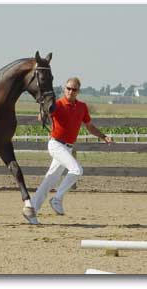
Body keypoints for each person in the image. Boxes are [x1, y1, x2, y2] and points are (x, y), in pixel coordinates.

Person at [31, 77, 112, 215]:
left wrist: (103, 136)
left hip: (67, 148)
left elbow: (90, 126)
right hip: (56, 145)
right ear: (64, 89)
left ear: (78, 91)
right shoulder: (58, 104)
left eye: (74, 89)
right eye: (68, 88)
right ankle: (57, 199)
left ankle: (32, 208)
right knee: (77, 170)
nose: (70, 91)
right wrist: (43, 114)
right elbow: (42, 116)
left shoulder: (82, 107)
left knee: (50, 179)